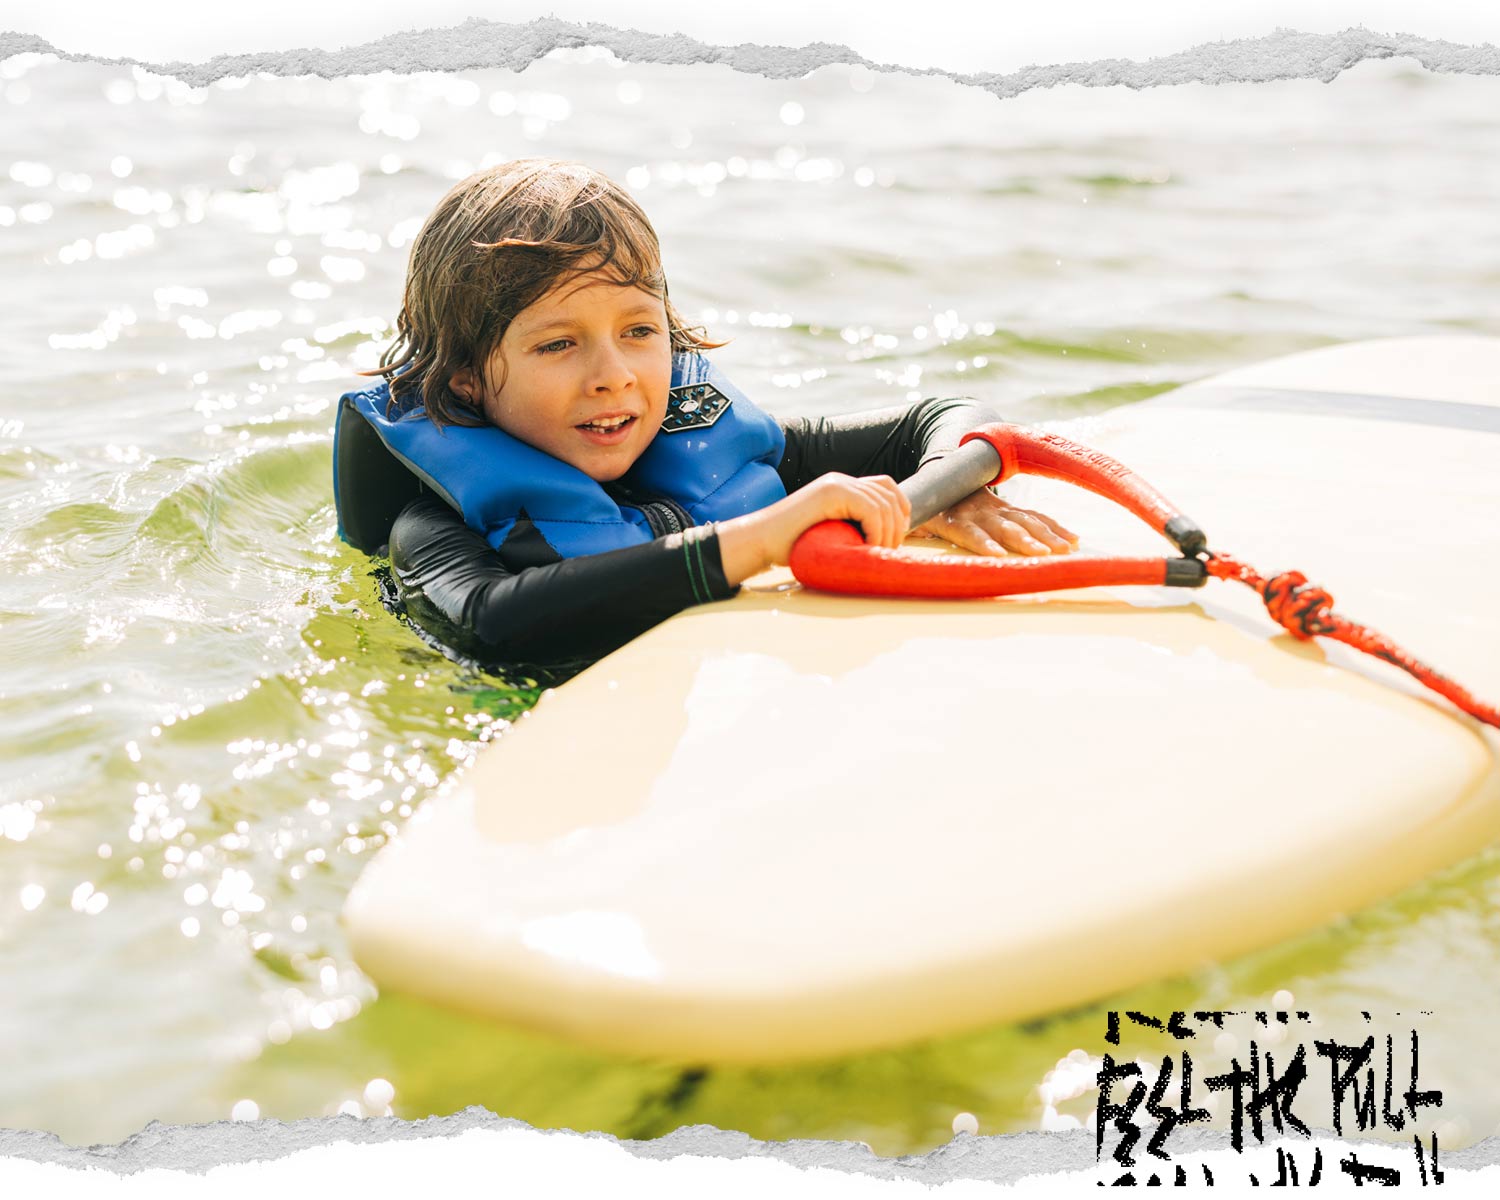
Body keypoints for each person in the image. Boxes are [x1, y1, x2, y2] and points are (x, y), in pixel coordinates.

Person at [334, 157, 1077, 668]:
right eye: (558, 344)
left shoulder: (716, 450)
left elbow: (938, 415)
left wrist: (930, 495)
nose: (614, 376)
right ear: (465, 378)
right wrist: (760, 540)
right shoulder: (433, 528)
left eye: (638, 331)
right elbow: (494, 624)